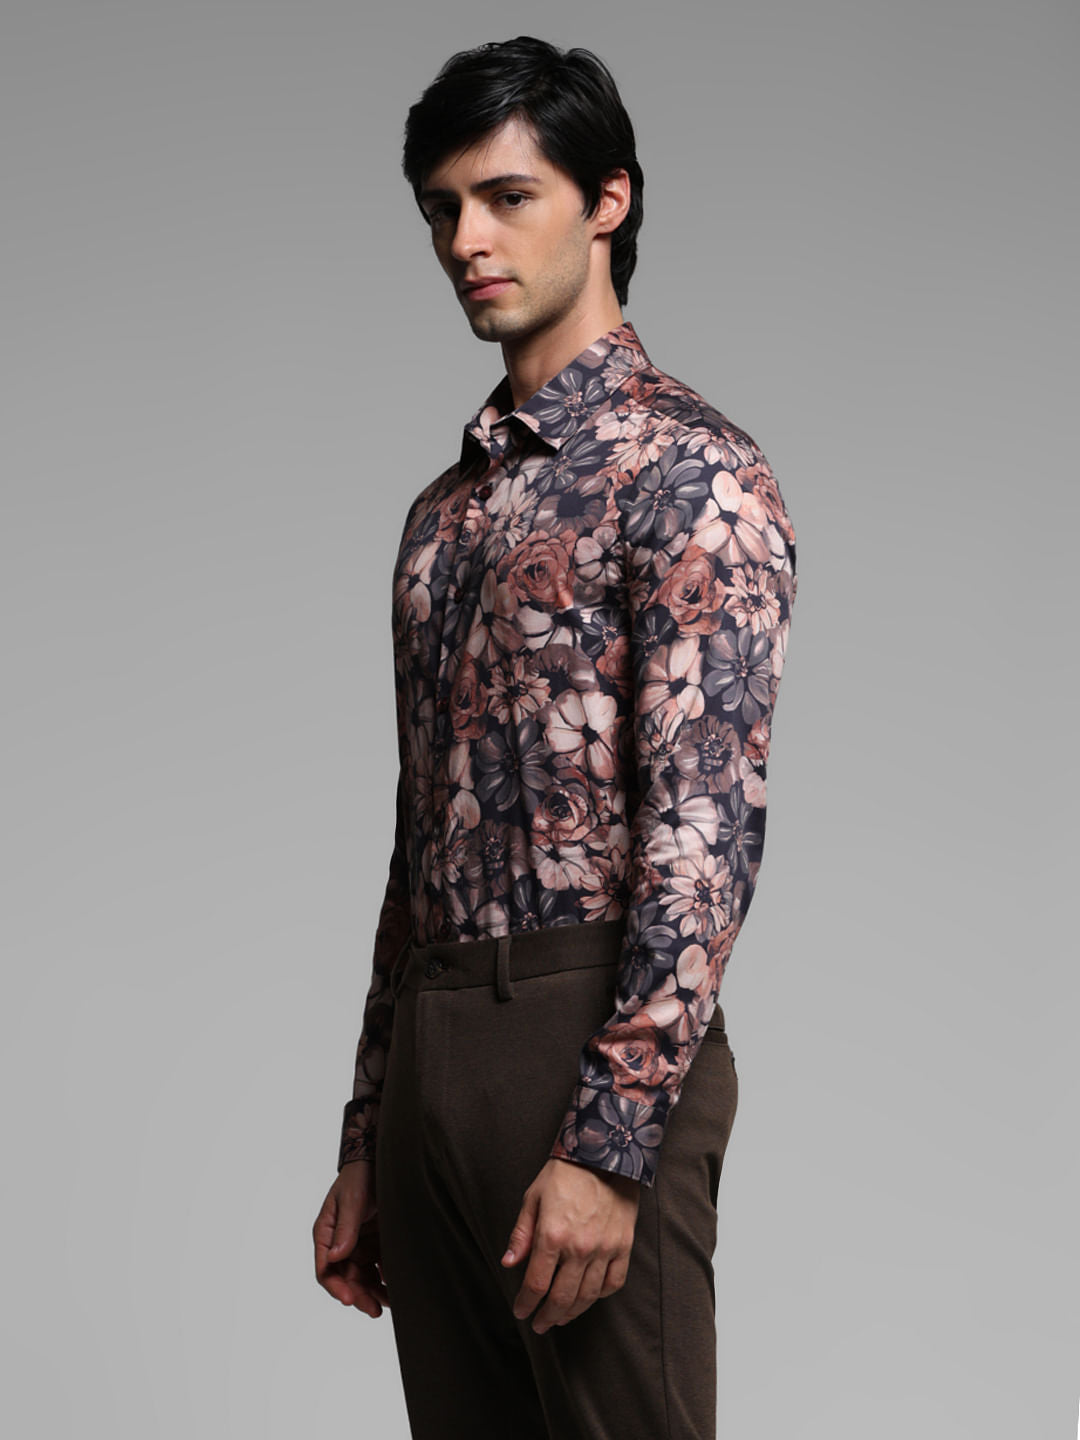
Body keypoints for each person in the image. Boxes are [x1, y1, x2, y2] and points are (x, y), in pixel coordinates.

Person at [312, 35, 798, 1439]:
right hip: (437, 1048)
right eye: (442, 208)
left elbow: (705, 834)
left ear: (608, 201)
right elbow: (419, 844)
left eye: (507, 197)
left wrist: (613, 1138)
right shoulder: (441, 519)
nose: (466, 240)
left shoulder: (690, 471)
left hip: (586, 1040)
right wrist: (371, 1131)